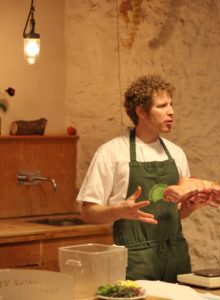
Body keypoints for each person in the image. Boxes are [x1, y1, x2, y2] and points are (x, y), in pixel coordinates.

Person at [77, 74, 209, 283]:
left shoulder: (176, 154)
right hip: (135, 260)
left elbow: (174, 214)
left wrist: (189, 208)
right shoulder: (111, 153)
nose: (171, 112)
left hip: (175, 257)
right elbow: (87, 213)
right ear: (141, 111)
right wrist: (118, 211)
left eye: (171, 104)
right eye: (162, 106)